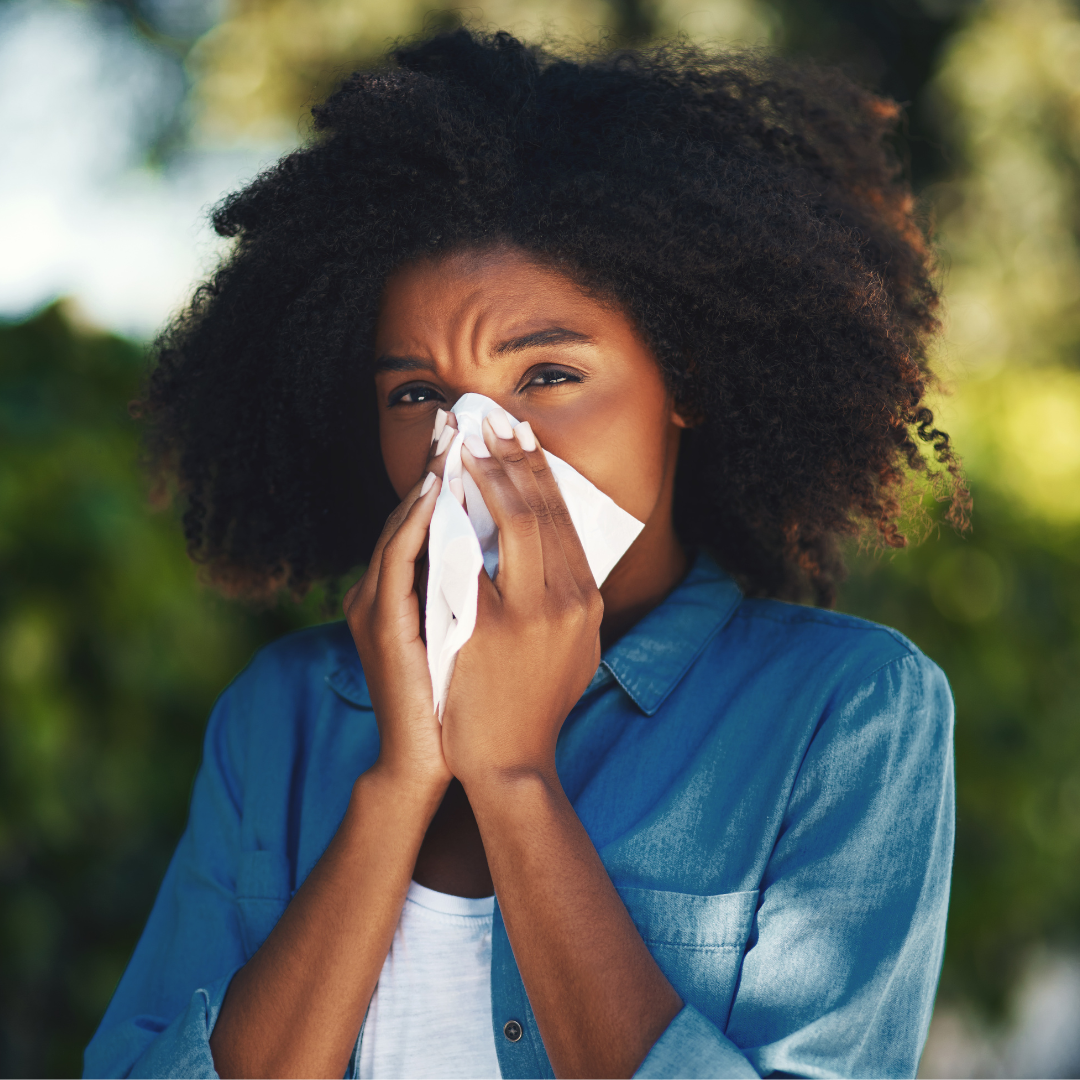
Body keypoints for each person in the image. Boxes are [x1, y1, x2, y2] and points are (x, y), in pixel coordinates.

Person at [84, 28, 966, 1080]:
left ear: (681, 379)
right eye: (417, 394)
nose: (474, 441)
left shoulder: (849, 711)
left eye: (546, 374)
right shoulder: (284, 715)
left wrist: (512, 778)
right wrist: (399, 782)